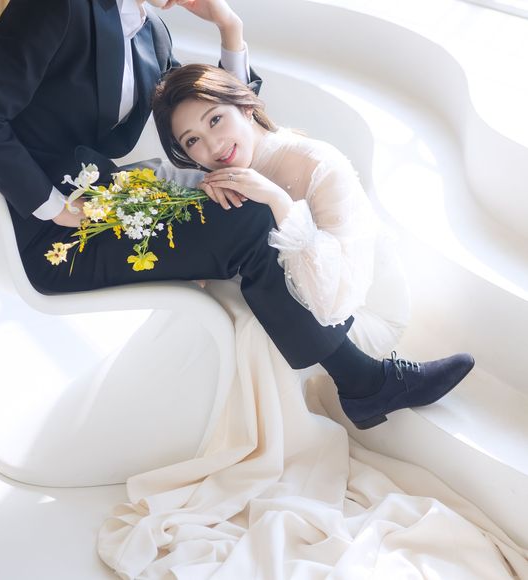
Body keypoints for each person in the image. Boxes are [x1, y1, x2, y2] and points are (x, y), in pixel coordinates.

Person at [0, 1, 472, 431]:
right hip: (55, 239)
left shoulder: (151, 33)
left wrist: (229, 27)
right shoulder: (57, 7)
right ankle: (364, 380)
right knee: (250, 217)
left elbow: (209, 112)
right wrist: (55, 208)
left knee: (243, 198)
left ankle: (357, 367)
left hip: (114, 201)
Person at [151, 63, 475, 428]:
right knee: (212, 298)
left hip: (356, 312)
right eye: (192, 141)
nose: (212, 146)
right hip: (306, 312)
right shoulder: (220, 179)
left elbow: (333, 301)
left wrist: (281, 204)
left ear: (245, 106)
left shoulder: (319, 163)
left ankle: (367, 381)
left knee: (244, 312)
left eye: (215, 120)